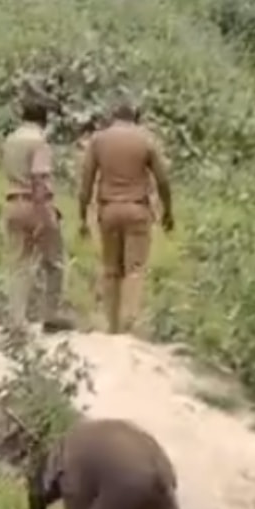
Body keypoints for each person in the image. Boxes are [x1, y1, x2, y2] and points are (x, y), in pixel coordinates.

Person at [77, 100, 173, 334]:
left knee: (111, 269)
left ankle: (111, 327)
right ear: (136, 118)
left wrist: (82, 217)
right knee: (134, 269)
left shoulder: (98, 141)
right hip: (137, 210)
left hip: (108, 211)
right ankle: (128, 325)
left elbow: (86, 182)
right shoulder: (146, 140)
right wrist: (168, 211)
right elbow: (162, 180)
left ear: (113, 116)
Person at [0, 98, 71, 333]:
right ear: (44, 119)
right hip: (34, 204)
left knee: (19, 264)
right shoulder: (39, 142)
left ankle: (16, 320)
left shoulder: (11, 140)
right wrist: (44, 215)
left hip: (12, 203)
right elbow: (39, 178)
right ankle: (50, 316)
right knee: (54, 262)